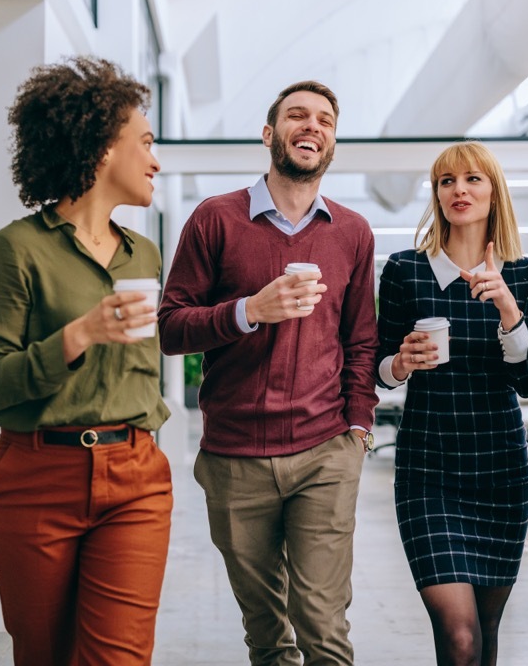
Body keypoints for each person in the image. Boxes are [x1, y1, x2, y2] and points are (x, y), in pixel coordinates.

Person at [158, 80, 378, 666]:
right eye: (297, 116)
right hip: (235, 456)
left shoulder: (352, 232)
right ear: (269, 134)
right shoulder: (215, 219)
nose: (312, 126)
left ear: (332, 143)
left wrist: (357, 425)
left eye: (325, 120)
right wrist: (248, 311)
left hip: (325, 450)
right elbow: (171, 327)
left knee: (323, 624)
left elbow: (360, 341)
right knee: (266, 632)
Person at [0, 56, 171, 666]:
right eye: (145, 142)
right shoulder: (15, 251)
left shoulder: (146, 254)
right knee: (43, 656)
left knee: (116, 660)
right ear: (104, 149)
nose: (155, 160)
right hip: (37, 481)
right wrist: (77, 334)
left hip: (135, 477)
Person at [375, 141, 528, 666]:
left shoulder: (524, 274)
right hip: (429, 470)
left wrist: (505, 304)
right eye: (447, 182)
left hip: (500, 469)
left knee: (487, 635)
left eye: (472, 179)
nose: (459, 191)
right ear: (436, 195)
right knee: (460, 636)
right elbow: (378, 370)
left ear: (493, 192)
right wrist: (401, 362)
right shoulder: (406, 270)